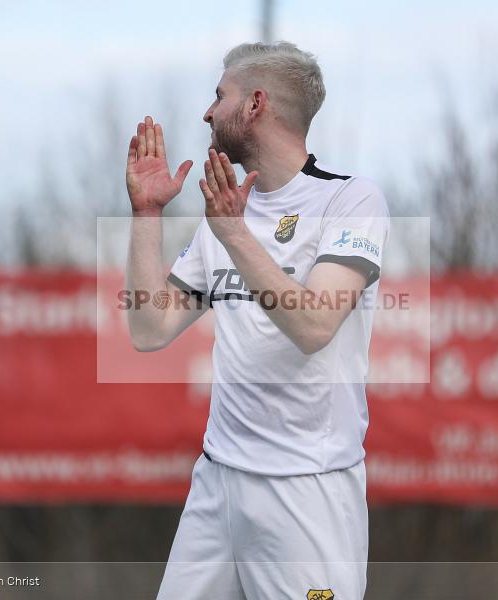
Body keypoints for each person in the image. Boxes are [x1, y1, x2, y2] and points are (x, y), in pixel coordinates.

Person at [124, 42, 389, 600]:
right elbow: (149, 330)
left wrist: (236, 235)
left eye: (220, 96)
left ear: (255, 105)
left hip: (306, 491)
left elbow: (314, 328)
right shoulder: (223, 215)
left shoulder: (350, 200)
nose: (207, 111)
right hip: (218, 480)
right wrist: (147, 214)